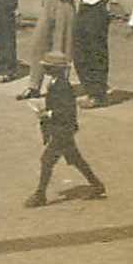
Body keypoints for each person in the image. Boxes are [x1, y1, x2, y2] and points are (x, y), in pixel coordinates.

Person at [24, 52, 104, 207]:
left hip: (62, 130)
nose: (45, 69)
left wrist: (48, 113)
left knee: (46, 160)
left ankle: (40, 195)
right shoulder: (57, 83)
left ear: (53, 69)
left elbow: (66, 110)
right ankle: (97, 185)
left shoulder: (62, 86)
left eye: (47, 67)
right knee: (76, 159)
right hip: (62, 130)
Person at [71, 0, 128, 109]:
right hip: (84, 9)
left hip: (96, 11)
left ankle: (98, 94)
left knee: (96, 52)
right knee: (80, 51)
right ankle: (89, 89)